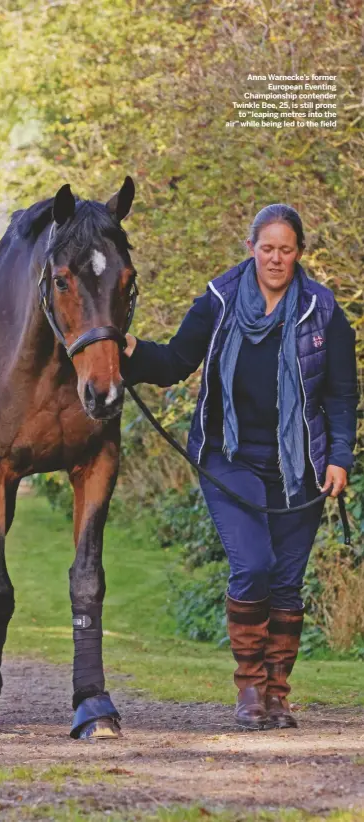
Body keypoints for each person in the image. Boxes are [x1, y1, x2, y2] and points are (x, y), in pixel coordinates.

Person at [120, 204, 359, 730]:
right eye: (267, 248)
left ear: (300, 253)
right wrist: (128, 349)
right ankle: (249, 688)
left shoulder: (321, 310)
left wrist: (340, 456)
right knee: (253, 566)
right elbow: (177, 362)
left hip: (301, 466)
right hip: (228, 457)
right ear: (250, 247)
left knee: (288, 583)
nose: (276, 258)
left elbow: (342, 393)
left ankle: (278, 696)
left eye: (287, 249)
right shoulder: (220, 300)